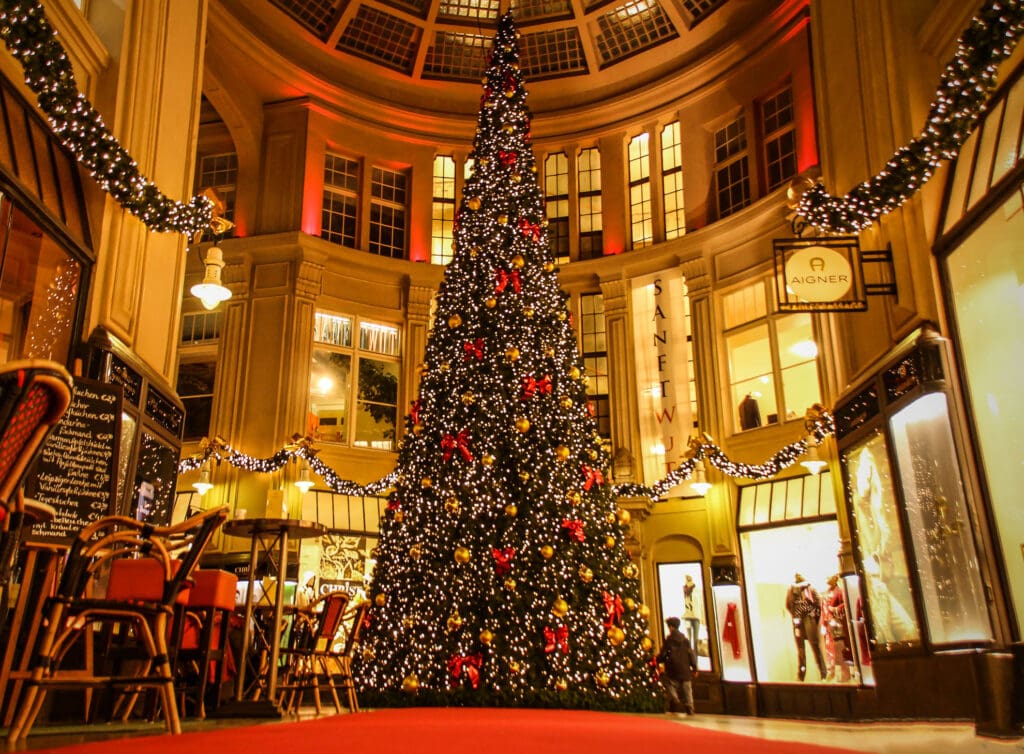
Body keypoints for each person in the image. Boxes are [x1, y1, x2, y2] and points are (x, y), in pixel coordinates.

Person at [785, 572, 826, 682]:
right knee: (814, 647)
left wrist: (795, 616)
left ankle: (802, 675)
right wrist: (814, 617)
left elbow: (788, 605)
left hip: (798, 621)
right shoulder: (810, 588)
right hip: (808, 619)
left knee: (802, 649)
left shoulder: (792, 590)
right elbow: (818, 604)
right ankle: (822, 674)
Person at [656, 616, 698, 714]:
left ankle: (674, 698)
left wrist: (657, 660)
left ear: (671, 627)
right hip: (685, 669)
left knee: (669, 684)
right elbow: (691, 654)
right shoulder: (685, 640)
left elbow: (663, 654)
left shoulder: (669, 640)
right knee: (687, 689)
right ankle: (690, 706)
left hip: (673, 668)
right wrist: (694, 668)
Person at [822, 574, 852, 682]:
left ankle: (845, 674)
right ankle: (832, 671)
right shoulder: (825, 593)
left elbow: (845, 604)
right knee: (829, 649)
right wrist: (822, 623)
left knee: (839, 648)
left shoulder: (839, 591)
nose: (826, 579)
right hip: (828, 624)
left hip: (836, 623)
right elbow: (822, 608)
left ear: (834, 578)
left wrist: (835, 609)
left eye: (828, 577)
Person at [682, 574, 702, 650]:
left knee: (696, 639)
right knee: (689, 639)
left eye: (689, 579)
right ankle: (690, 659)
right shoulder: (684, 590)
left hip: (696, 616)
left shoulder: (697, 590)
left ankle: (695, 660)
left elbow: (700, 603)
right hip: (687, 616)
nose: (688, 581)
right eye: (687, 579)